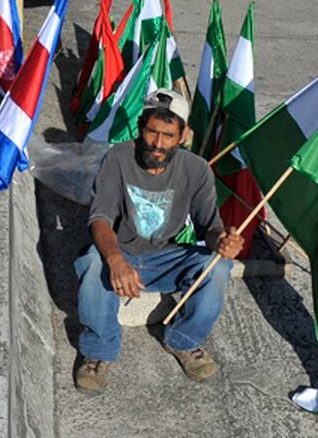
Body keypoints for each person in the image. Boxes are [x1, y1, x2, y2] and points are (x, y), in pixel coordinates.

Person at [73, 89, 244, 395]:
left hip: (168, 256)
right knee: (91, 260)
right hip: (123, 250)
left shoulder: (197, 169)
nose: (158, 143)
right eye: (152, 131)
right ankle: (98, 351)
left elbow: (210, 226)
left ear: (183, 136)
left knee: (218, 267)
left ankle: (183, 341)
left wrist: (223, 241)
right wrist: (115, 259)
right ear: (140, 127)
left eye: (168, 135)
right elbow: (99, 217)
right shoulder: (118, 157)